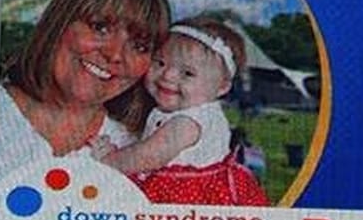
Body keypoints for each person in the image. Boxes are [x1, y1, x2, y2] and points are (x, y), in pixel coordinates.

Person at [0, 0, 170, 176]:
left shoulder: (141, 151)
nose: (114, 54)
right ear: (60, 21)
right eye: (100, 27)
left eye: (140, 46)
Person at [101, 17, 269, 206]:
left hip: (186, 199)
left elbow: (148, 156)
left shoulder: (188, 121)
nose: (168, 75)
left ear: (221, 87)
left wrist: (108, 162)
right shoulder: (183, 110)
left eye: (188, 73)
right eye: (161, 63)